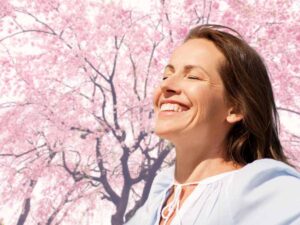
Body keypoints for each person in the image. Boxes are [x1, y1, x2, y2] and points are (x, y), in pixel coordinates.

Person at [125, 24, 300, 225]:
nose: (166, 86)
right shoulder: (159, 197)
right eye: (166, 75)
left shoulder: (259, 189)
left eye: (193, 77)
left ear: (235, 108)